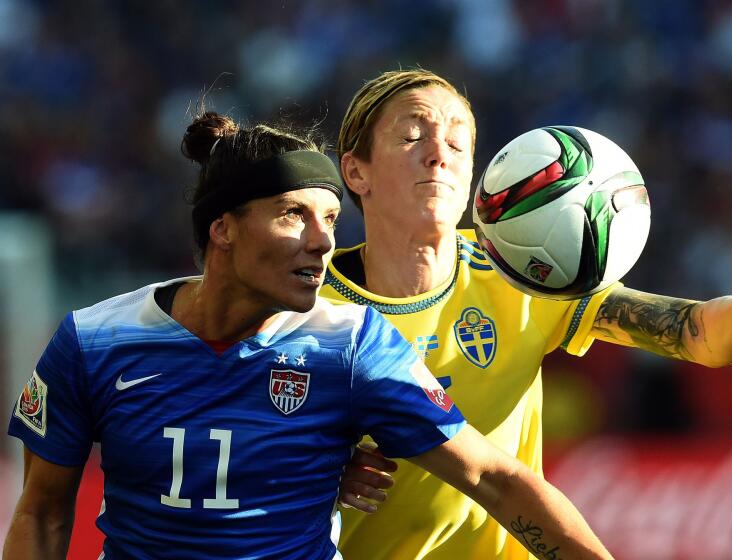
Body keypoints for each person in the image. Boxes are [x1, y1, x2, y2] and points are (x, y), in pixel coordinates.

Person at [3, 111, 615, 560]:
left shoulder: (351, 345)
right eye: (294, 215)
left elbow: (493, 479)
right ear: (224, 228)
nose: (322, 241)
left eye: (329, 218)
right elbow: (42, 511)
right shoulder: (93, 342)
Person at [321, 68, 732, 560]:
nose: (437, 155)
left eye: (457, 145)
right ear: (355, 172)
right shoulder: (308, 310)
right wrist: (313, 462)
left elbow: (700, 337)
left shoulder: (522, 270)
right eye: (412, 136)